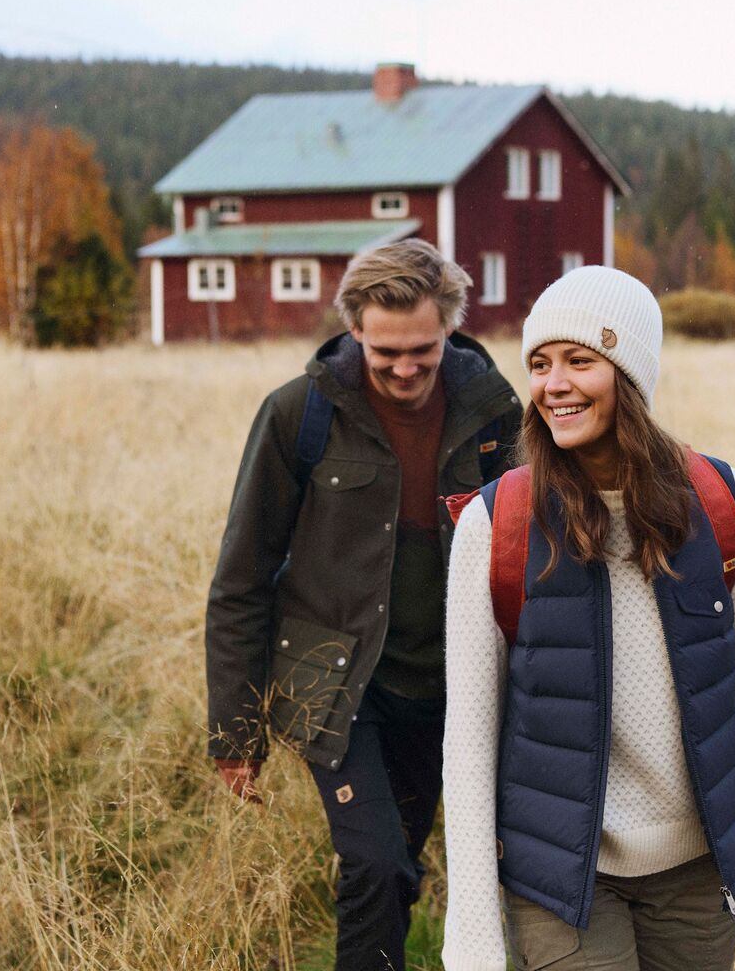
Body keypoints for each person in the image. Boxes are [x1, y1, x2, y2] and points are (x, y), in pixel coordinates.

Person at [442, 266, 735, 971]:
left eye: (580, 361)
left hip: (698, 868)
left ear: (632, 375)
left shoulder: (725, 502)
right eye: (540, 364)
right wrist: (474, 931)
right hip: (559, 875)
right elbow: (469, 739)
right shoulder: (496, 523)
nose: (554, 385)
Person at [205, 238, 522, 971]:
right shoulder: (299, 414)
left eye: (423, 350)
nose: (406, 369)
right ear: (354, 330)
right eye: (386, 353)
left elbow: (530, 552)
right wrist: (236, 731)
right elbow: (241, 578)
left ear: (450, 327)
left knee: (399, 866)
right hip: (340, 688)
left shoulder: (494, 411)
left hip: (451, 688)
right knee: (375, 864)